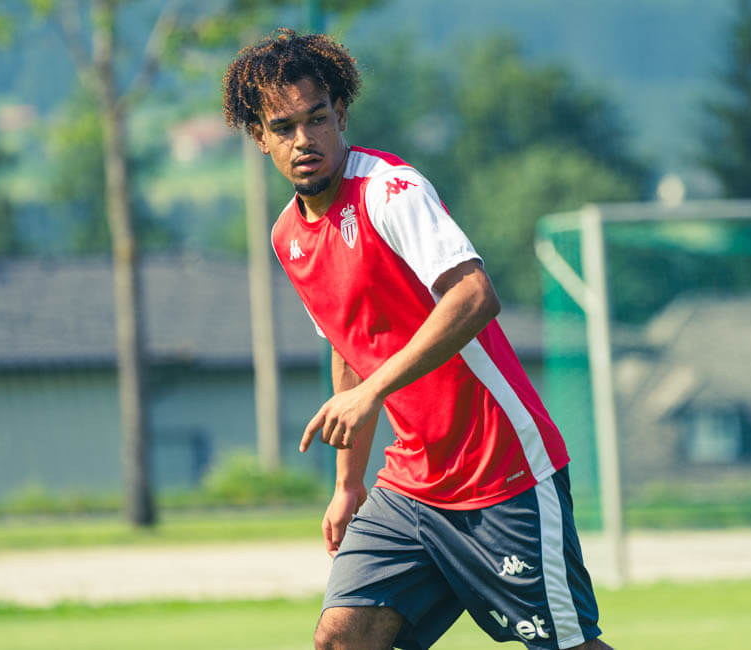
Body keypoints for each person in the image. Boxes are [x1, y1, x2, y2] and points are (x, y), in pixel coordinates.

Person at [223, 28, 614, 650]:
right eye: (284, 127)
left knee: (569, 646)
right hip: (412, 485)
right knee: (342, 639)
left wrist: (373, 391)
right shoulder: (287, 237)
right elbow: (348, 350)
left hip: (502, 471)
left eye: (317, 118)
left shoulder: (389, 190)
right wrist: (348, 484)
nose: (304, 140)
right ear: (259, 137)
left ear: (340, 113)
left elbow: (475, 295)